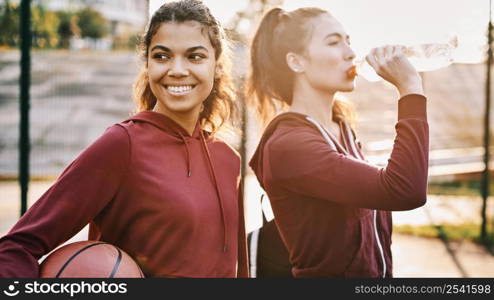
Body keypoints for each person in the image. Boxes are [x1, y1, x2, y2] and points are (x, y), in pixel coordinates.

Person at [0, 0, 248, 278]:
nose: (177, 69)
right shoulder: (122, 145)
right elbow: (18, 246)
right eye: (162, 56)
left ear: (217, 66)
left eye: (195, 56)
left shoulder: (228, 158)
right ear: (147, 64)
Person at [247, 7, 428, 277]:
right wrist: (410, 88)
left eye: (348, 41)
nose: (351, 53)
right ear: (297, 62)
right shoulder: (290, 146)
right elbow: (404, 190)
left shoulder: (341, 130)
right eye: (334, 42)